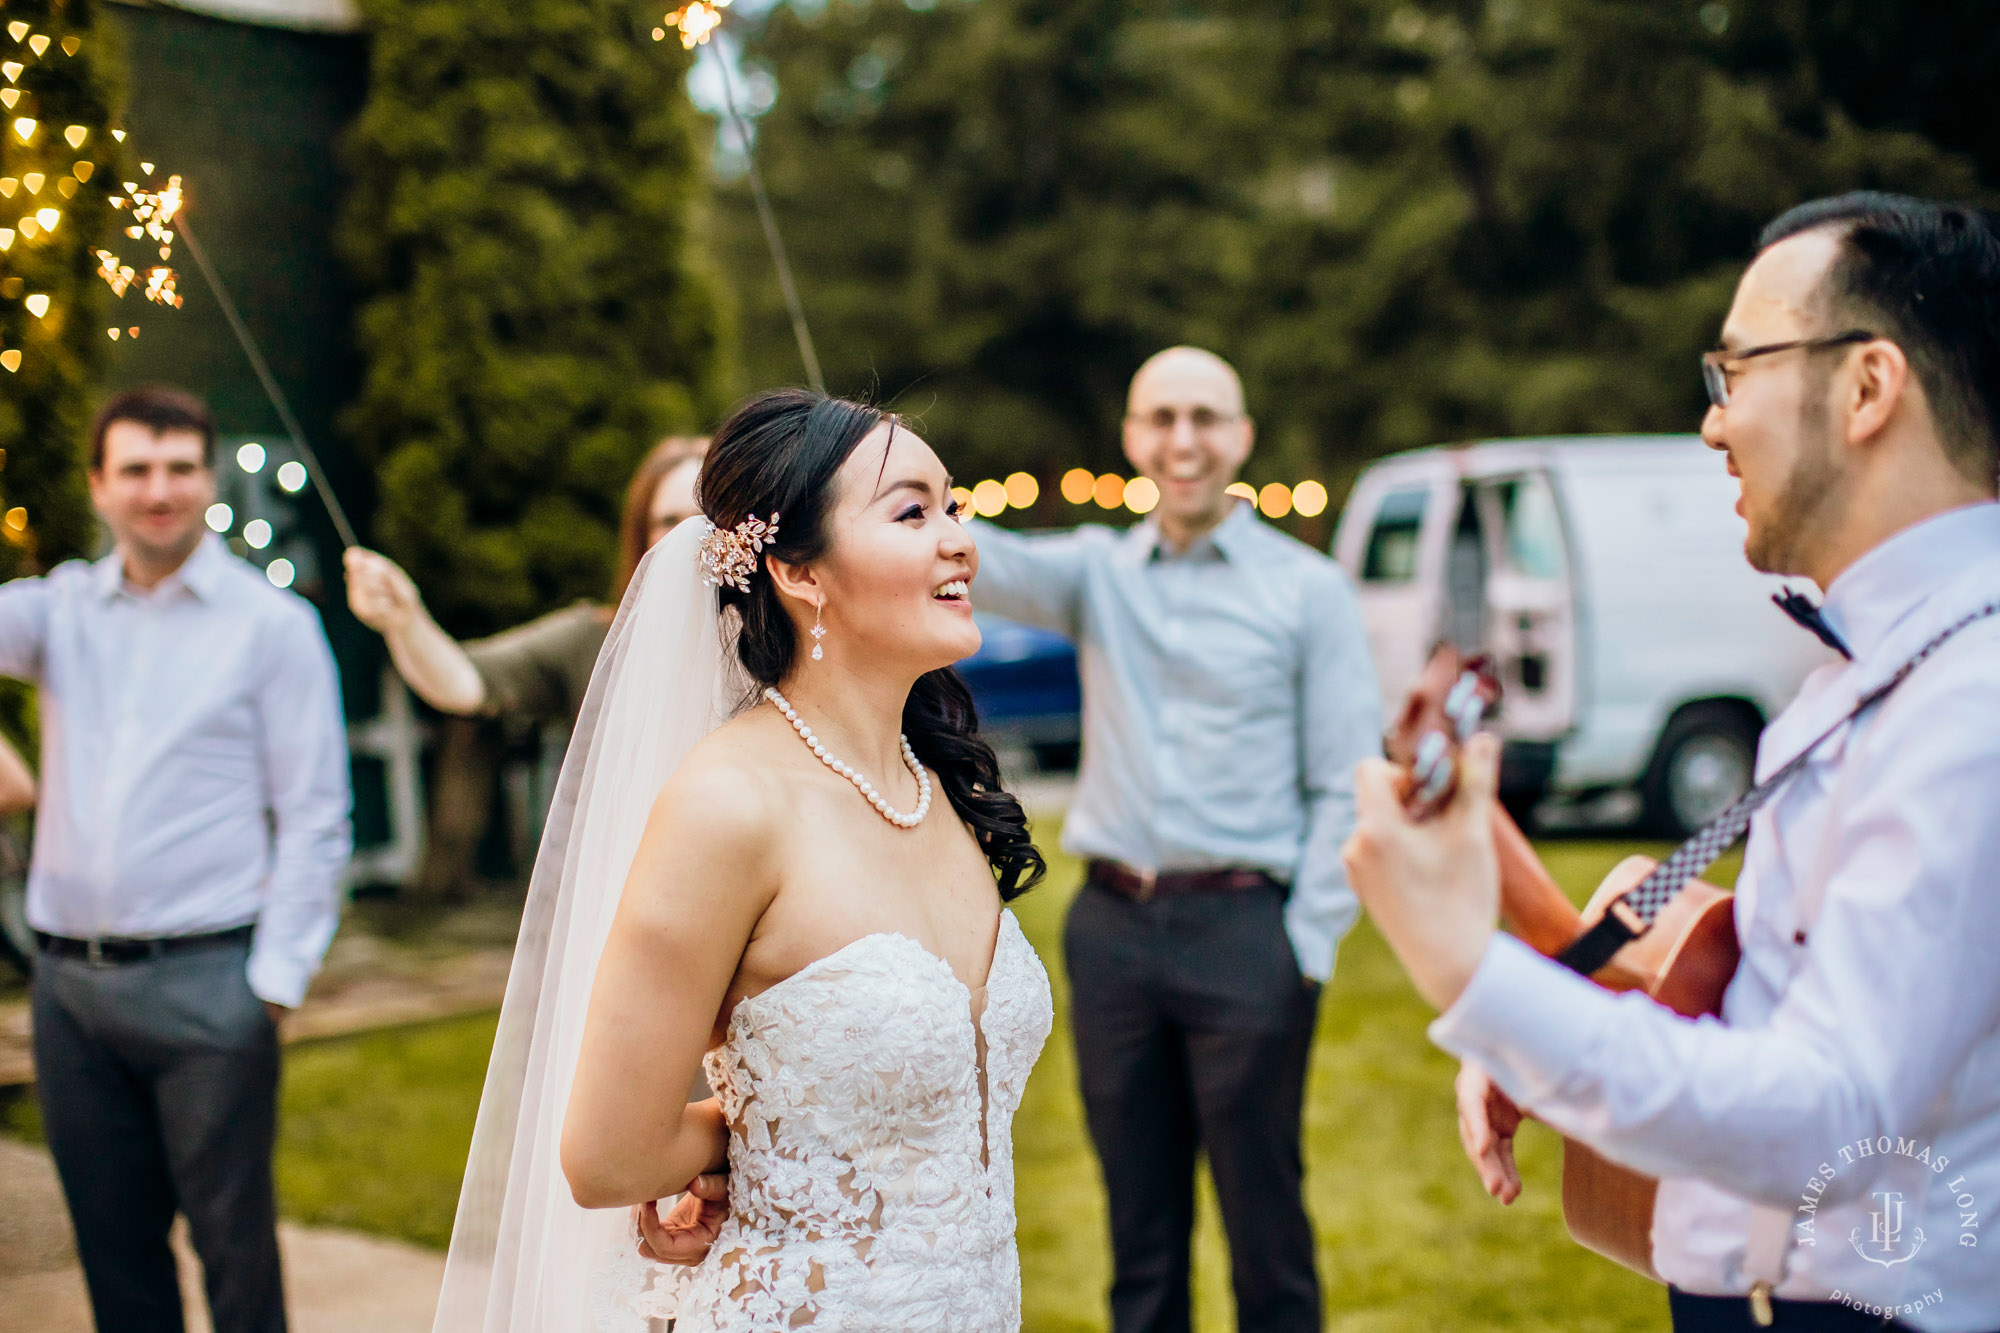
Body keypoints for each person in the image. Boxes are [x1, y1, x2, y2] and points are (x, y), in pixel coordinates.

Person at [1343, 193, 2000, 1333]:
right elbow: (1766, 998)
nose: (1711, 422)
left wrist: (1467, 969)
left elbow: (1830, 1118)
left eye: (1735, 369)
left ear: (1865, 387)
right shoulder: (1871, 669)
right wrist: (1552, 995)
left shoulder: (1969, 698)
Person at [430, 389, 1053, 1332]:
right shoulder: (729, 802)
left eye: (955, 505)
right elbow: (606, 1152)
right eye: (913, 510)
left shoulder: (938, 786)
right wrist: (749, 1138)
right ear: (800, 571)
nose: (959, 538)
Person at [970, 347, 1382, 1333]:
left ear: (1239, 436)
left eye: (1204, 417)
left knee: (1263, 1223)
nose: (1182, 439)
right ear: (1131, 437)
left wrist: (1305, 947)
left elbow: (1349, 785)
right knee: (1138, 1236)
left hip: (1248, 931)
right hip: (1111, 929)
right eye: (1160, 417)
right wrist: (886, 485)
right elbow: (981, 555)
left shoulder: (1307, 590)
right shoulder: (1095, 575)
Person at [0, 385, 353, 1333]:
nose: (159, 489)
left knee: (234, 1249)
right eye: (136, 470)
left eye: (179, 467)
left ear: (207, 478)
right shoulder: (58, 611)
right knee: (114, 1257)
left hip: (211, 987)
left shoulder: (271, 626)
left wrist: (271, 986)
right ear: (99, 486)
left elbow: (317, 816)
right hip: (69, 991)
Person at [342, 433, 707, 722]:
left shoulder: (762, 645)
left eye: (704, 518)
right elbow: (466, 683)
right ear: (640, 536)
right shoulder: (593, 640)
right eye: (669, 522)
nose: (687, 536)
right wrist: (405, 619)